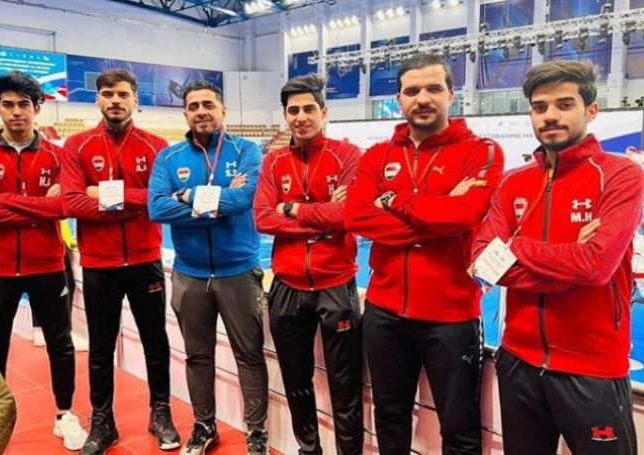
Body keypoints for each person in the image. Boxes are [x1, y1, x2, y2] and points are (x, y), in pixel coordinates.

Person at [472, 60, 642, 455]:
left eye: (565, 104)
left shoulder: (620, 175)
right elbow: (483, 262)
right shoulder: (513, 183)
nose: (550, 115)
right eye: (540, 106)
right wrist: (572, 261)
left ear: (591, 110)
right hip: (518, 360)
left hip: (593, 365)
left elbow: (595, 266)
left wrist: (516, 248)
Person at [345, 54, 504, 455]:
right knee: (390, 416)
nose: (422, 98)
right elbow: (357, 217)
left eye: (433, 88)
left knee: (460, 427)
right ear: (399, 99)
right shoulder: (377, 155)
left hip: (452, 315)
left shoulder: (481, 151)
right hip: (384, 312)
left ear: (451, 94)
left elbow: (465, 214)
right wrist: (438, 216)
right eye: (412, 90)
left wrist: (394, 200)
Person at [61, 69, 180, 455]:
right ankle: (103, 421)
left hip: (145, 260)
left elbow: (160, 201)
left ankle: (160, 412)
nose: (116, 100)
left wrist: (103, 195)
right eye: (108, 94)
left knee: (155, 343)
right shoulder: (76, 146)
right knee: (100, 348)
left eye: (123, 94)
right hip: (99, 263)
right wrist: (134, 200)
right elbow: (72, 203)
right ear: (98, 99)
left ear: (135, 101)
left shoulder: (157, 146)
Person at [0, 70, 87, 450]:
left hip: (48, 265)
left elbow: (67, 205)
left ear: (37, 108)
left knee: (60, 344)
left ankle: (65, 414)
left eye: (23, 104)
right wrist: (39, 206)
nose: (16, 111)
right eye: (8, 104)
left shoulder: (58, 155)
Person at [148, 81, 269, 455]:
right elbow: (157, 207)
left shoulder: (246, 150)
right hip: (190, 273)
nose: (201, 111)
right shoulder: (169, 158)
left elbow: (244, 199)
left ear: (223, 110)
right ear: (185, 113)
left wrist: (185, 197)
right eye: (193, 106)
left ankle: (256, 432)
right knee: (198, 356)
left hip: (239, 271)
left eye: (208, 104)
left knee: (249, 356)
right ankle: (204, 426)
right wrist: (216, 204)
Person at [254, 73, 364, 455]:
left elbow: (348, 215)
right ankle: (309, 450)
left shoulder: (348, 155)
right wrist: (323, 216)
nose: (301, 117)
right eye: (293, 110)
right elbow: (263, 218)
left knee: (345, 385)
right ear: (285, 115)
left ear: (324, 112)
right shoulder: (273, 161)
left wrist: (292, 209)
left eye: (308, 109)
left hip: (336, 284)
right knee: (296, 382)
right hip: (287, 285)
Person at [31, 218, 88, 352]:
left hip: (41, 235)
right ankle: (64, 333)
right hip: (51, 236)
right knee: (64, 283)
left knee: (40, 281)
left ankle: (40, 329)